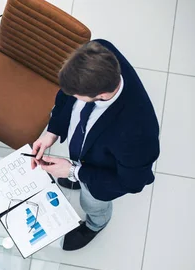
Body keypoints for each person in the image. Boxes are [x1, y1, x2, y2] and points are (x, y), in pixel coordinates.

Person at [31, 39, 160, 251]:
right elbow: (65, 96)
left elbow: (132, 183)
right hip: (87, 151)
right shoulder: (100, 50)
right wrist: (52, 132)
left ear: (100, 95)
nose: (71, 96)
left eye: (77, 96)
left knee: (91, 202)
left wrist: (75, 171)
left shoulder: (138, 133)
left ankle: (96, 223)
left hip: (102, 173)